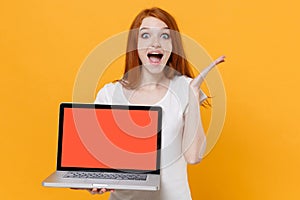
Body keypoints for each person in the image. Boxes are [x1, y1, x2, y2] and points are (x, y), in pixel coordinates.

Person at [88, 7, 225, 199]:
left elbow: (194, 157)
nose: (155, 43)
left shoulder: (185, 89)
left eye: (164, 36)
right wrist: (94, 181)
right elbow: (96, 158)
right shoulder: (110, 95)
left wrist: (193, 96)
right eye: (145, 35)